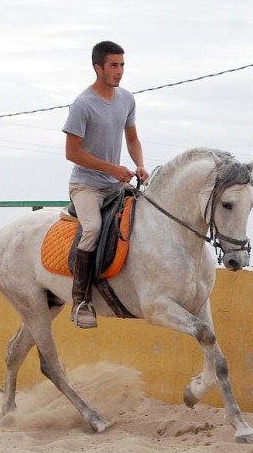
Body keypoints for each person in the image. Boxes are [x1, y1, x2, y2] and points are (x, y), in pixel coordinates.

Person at [62, 40, 149, 328]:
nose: (120, 71)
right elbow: (72, 152)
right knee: (93, 229)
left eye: (122, 65)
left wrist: (139, 165)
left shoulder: (126, 99)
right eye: (114, 65)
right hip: (87, 186)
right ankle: (81, 301)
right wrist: (112, 168)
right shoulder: (83, 105)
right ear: (97, 67)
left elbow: (133, 139)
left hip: (116, 183)